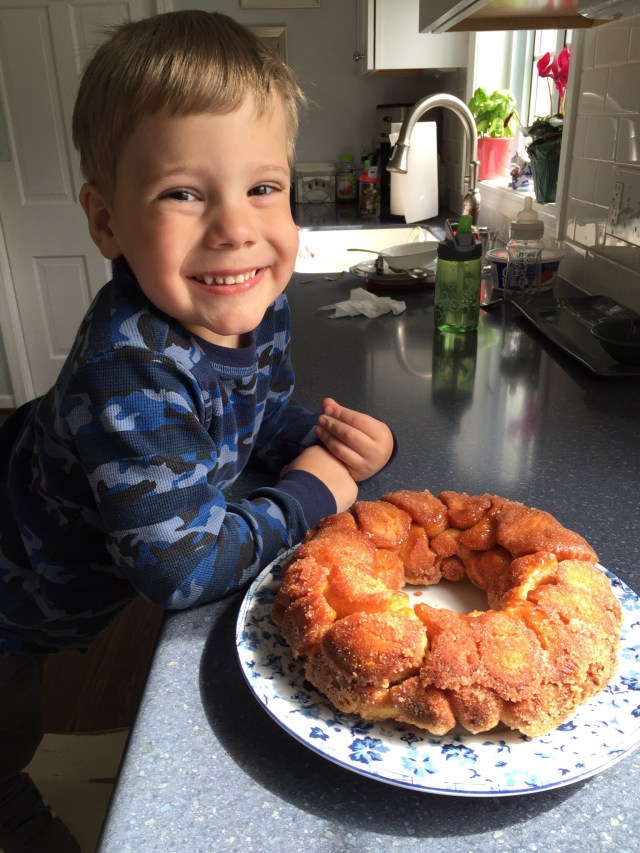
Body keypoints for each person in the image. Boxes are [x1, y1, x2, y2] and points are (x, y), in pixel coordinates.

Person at [0, 11, 394, 852]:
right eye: (184, 192)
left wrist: (318, 436)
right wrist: (310, 491)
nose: (235, 227)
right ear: (106, 222)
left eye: (263, 187)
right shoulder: (128, 369)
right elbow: (181, 568)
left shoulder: (255, 304)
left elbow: (245, 417)